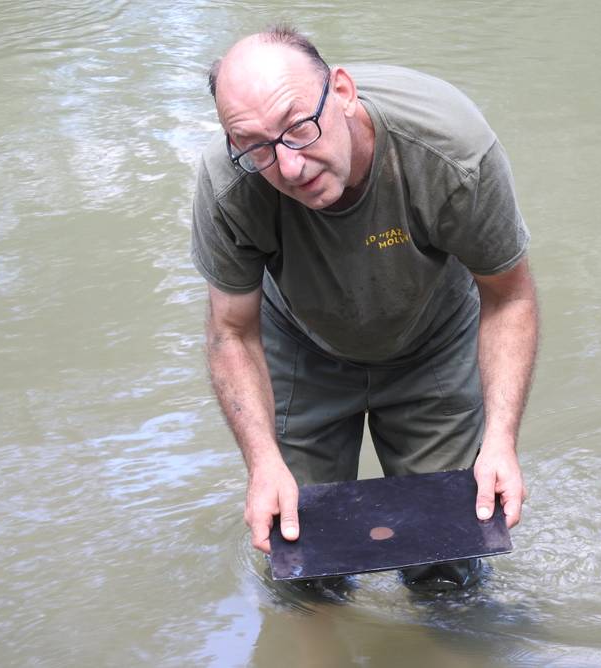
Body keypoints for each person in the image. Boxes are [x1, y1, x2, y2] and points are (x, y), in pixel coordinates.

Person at [192, 26, 538, 589]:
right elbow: (232, 331)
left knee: (447, 565)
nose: (291, 167)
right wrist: (262, 463)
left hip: (434, 341)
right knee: (300, 560)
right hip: (302, 345)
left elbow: (509, 295)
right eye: (256, 146)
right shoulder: (230, 183)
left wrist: (501, 440)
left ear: (344, 92)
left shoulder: (452, 153)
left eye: (299, 128)